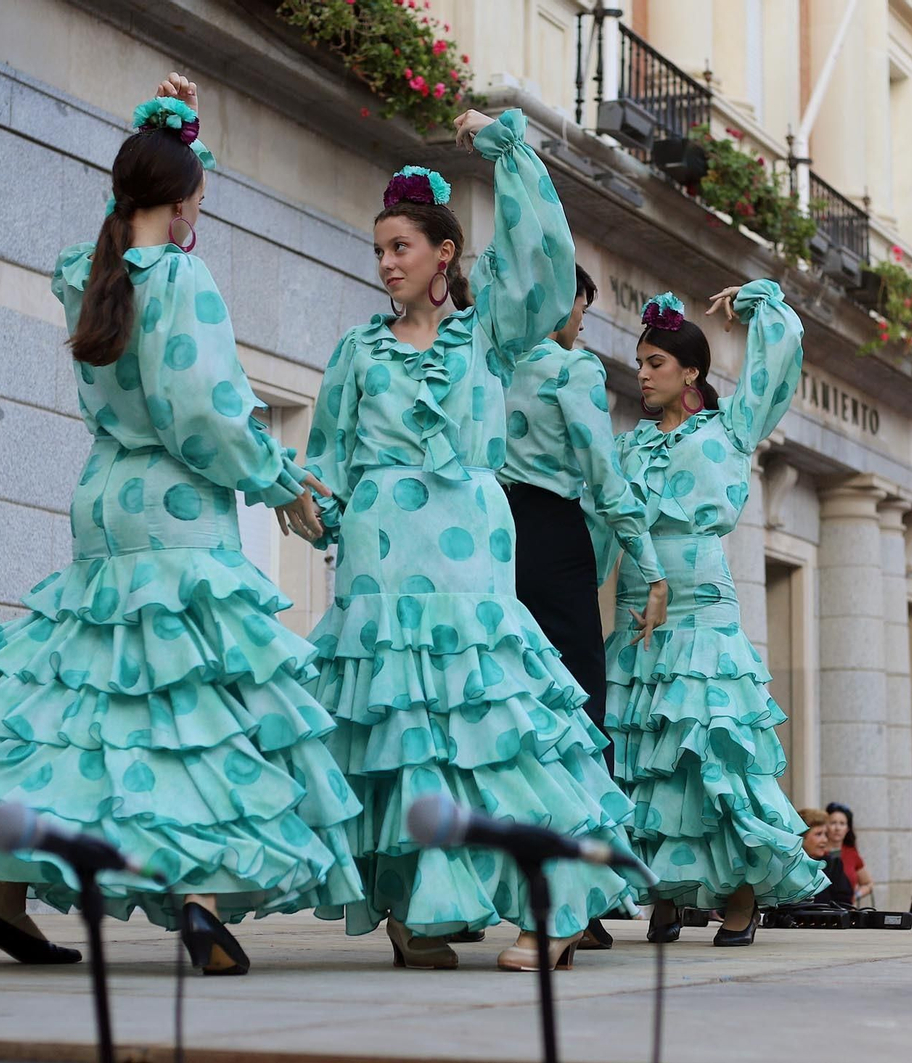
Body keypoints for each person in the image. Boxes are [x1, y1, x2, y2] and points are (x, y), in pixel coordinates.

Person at [0, 75, 363, 975]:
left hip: (103, 503)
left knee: (81, 708)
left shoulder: (89, 271)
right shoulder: (181, 274)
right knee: (191, 705)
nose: (200, 215)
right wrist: (282, 482)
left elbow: (131, 214)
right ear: (180, 207)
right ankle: (201, 899)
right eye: (198, 199)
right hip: (175, 512)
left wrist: (161, 130)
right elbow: (206, 411)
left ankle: (0, 900)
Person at [295, 107, 631, 973]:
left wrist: (511, 152)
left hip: (467, 554)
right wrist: (307, 499)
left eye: (400, 247)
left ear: (444, 254)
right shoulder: (356, 350)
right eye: (378, 250)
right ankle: (418, 907)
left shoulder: (489, 335)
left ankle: (552, 901)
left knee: (493, 725)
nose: (385, 264)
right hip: (376, 563)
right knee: (397, 729)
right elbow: (325, 455)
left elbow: (548, 267)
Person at [603, 285, 827, 949]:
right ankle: (667, 891)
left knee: (709, 754)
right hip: (638, 606)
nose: (642, 375)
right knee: (647, 756)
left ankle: (740, 893)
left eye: (655, 363)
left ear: (691, 371)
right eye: (640, 363)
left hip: (702, 608)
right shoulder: (628, 447)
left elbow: (782, 351)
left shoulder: (730, 431)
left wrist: (761, 302)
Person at [500, 261, 668, 952]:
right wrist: (649, 567)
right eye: (580, 306)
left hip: (491, 535)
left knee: (512, 712)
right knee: (574, 715)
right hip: (554, 538)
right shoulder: (572, 369)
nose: (580, 322)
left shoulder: (488, 359)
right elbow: (605, 476)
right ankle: (577, 896)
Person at [798, 808, 854, 906]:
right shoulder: (787, 866)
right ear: (802, 837)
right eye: (818, 834)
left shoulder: (833, 866)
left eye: (826, 834)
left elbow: (844, 904)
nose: (824, 840)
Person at [826, 801, 873, 905]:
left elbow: (868, 883)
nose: (837, 828)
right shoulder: (818, 852)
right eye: (833, 823)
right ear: (826, 826)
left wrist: (855, 895)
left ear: (847, 829)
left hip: (847, 911)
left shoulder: (851, 853)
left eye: (842, 823)